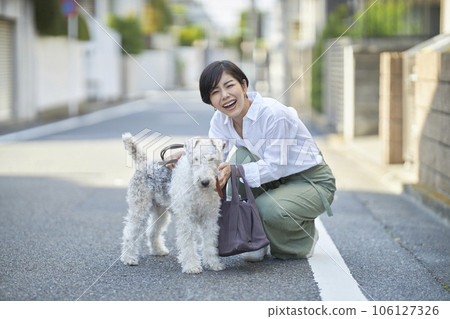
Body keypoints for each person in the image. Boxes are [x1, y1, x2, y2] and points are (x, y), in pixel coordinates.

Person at [199, 60, 336, 261]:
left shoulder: (274, 114)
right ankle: (256, 239)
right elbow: (213, 157)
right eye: (215, 91)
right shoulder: (220, 120)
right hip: (274, 177)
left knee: (266, 207)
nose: (225, 95)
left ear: (244, 86)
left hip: (310, 180)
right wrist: (187, 160)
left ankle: (302, 238)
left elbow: (275, 167)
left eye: (229, 86)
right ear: (211, 102)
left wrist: (236, 170)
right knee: (235, 161)